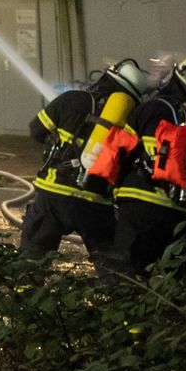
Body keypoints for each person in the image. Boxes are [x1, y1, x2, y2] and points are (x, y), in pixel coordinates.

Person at [18, 59, 153, 264]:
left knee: (31, 260)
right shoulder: (133, 118)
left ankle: (25, 293)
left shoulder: (72, 99)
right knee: (110, 265)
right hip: (97, 202)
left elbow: (37, 130)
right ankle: (118, 293)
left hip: (54, 195)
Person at [113, 56, 186, 274]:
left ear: (178, 78)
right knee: (179, 277)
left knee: (129, 275)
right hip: (182, 213)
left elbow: (118, 151)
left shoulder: (151, 108)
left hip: (139, 206)